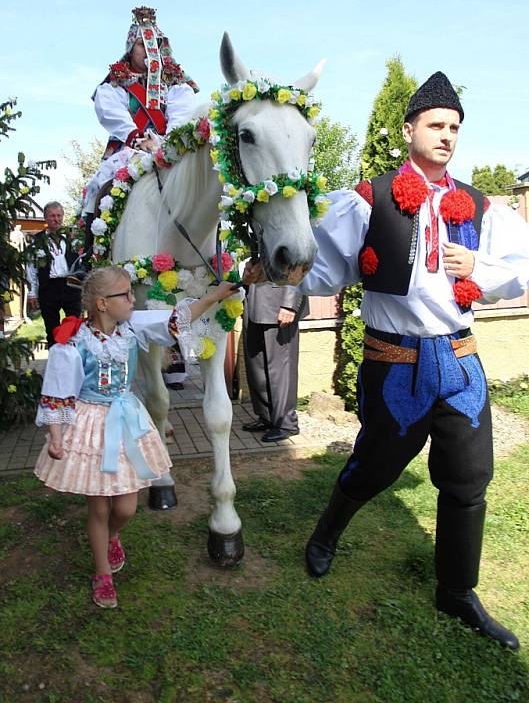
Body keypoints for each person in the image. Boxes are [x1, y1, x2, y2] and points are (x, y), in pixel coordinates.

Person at [244, 72, 529, 649]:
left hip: (460, 360)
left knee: (470, 480)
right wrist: (277, 269)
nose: (447, 135)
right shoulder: (366, 199)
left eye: (455, 127)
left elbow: (520, 269)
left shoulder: (477, 205)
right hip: (395, 361)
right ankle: (326, 533)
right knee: (374, 469)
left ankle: (456, 591)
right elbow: (324, 268)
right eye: (436, 125)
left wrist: (479, 269)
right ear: (408, 130)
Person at [34, 265, 238, 609]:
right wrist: (56, 434)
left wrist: (215, 297)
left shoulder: (132, 329)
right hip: (89, 427)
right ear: (102, 303)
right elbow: (57, 392)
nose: (132, 299)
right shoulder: (73, 343)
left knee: (126, 507)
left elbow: (177, 319)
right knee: (98, 506)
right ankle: (103, 574)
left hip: (126, 420)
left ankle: (114, 535)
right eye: (125, 294)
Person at [77, 5, 199, 264]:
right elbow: (111, 112)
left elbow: (182, 114)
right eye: (143, 45)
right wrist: (136, 137)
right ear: (130, 48)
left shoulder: (176, 85)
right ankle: (89, 255)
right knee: (100, 183)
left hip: (167, 148)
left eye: (153, 44)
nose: (148, 51)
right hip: (130, 148)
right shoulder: (115, 83)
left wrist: (166, 142)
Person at [242, 282, 307, 442]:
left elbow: (298, 264)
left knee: (281, 368)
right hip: (255, 299)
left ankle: (286, 423)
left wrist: (290, 304)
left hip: (280, 302)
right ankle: (267, 416)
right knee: (255, 364)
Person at [26, 201, 82, 346]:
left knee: (75, 323)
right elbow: (31, 268)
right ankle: (55, 360)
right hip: (48, 287)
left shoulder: (72, 238)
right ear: (45, 218)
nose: (56, 219)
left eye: (58, 216)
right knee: (51, 328)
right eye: (52, 216)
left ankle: (71, 353)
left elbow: (82, 261)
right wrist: (32, 293)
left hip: (70, 285)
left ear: (63, 217)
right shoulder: (36, 241)